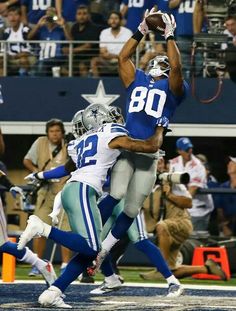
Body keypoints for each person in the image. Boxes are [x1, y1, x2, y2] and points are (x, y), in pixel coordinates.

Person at [18, 103, 164, 308]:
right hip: (83, 191)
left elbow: (66, 169)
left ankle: (54, 291)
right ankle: (42, 228)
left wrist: (40, 175)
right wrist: (159, 128)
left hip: (73, 190)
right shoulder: (111, 134)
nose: (117, 119)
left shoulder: (81, 141)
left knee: (88, 253)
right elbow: (150, 146)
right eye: (111, 116)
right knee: (92, 247)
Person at [89, 8, 189, 276]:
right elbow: (122, 57)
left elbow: (177, 67)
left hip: (149, 154)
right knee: (117, 194)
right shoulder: (137, 79)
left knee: (132, 209)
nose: (163, 64)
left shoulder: (174, 87)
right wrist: (141, 30)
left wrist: (170, 37)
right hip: (128, 145)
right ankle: (89, 231)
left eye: (165, 62)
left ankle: (102, 252)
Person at [139, 158, 226, 281]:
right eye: (155, 161)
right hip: (167, 232)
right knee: (172, 270)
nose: (159, 164)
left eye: (161, 162)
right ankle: (207, 268)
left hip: (181, 223)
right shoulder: (144, 185)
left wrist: (169, 195)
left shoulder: (172, 181)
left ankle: (161, 269)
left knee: (162, 226)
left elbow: (189, 202)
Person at [23, 118, 71, 276]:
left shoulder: (69, 143)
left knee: (65, 229)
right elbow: (27, 160)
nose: (54, 134)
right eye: (51, 131)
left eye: (57, 131)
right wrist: (38, 172)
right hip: (46, 190)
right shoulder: (40, 142)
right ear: (47, 133)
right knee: (38, 226)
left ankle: (65, 264)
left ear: (62, 132)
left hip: (64, 189)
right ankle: (38, 263)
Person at [169, 137, 214, 232]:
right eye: (186, 149)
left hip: (198, 209)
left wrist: (172, 198)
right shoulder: (173, 163)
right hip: (180, 208)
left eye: (190, 148)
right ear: (179, 151)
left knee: (193, 240)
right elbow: (170, 184)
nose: (190, 151)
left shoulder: (198, 166)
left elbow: (191, 193)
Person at [28, 6, 71, 77]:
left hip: (56, 59)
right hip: (42, 59)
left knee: (40, 65)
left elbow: (70, 41)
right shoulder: (41, 30)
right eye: (48, 15)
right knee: (33, 69)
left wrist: (63, 25)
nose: (50, 17)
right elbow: (29, 37)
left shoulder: (60, 30)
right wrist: (38, 25)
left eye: (52, 15)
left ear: (56, 16)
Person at [90, 11, 132, 77]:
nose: (113, 21)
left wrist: (116, 57)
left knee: (124, 63)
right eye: (111, 18)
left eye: (116, 18)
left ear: (120, 21)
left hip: (122, 61)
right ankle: (96, 84)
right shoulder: (104, 32)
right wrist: (117, 56)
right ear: (108, 21)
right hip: (107, 61)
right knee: (94, 61)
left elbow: (128, 53)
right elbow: (103, 52)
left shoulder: (128, 32)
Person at [64, 5, 102, 77]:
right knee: (64, 69)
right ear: (76, 16)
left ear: (89, 15)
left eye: (84, 14)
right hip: (77, 57)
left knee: (82, 66)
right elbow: (71, 41)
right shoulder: (75, 27)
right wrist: (64, 27)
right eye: (79, 14)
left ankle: (85, 87)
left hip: (89, 57)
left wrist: (72, 50)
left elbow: (88, 46)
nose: (81, 16)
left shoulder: (94, 28)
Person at [0, 6, 36, 76]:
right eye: (10, 15)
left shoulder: (26, 30)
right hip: (11, 59)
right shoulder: (6, 32)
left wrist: (15, 56)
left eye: (15, 15)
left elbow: (29, 51)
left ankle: (25, 80)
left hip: (26, 58)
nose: (13, 18)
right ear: (7, 18)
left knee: (23, 60)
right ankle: (3, 84)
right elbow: (3, 51)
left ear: (20, 17)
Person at [216, 157, 236, 238]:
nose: (229, 165)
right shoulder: (223, 187)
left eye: (232, 163)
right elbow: (219, 210)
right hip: (227, 224)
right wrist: (224, 226)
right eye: (229, 163)